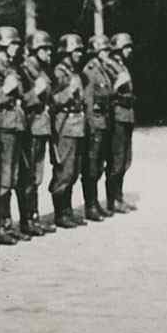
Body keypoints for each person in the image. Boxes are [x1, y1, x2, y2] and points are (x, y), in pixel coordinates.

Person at [0, 26, 30, 244]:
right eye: (13, 44)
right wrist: (5, 91)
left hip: (15, 126)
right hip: (3, 128)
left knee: (12, 178)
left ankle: (7, 224)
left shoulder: (11, 67)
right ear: (2, 46)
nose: (16, 48)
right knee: (2, 180)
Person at [18, 30, 57, 236]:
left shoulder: (42, 70)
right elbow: (20, 100)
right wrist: (36, 93)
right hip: (31, 127)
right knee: (29, 176)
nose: (48, 52)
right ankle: (27, 220)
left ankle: (33, 217)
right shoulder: (25, 70)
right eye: (44, 48)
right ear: (34, 50)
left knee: (37, 176)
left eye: (49, 48)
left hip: (42, 127)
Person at [50, 33, 87, 228]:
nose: (80, 54)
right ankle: (60, 213)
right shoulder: (59, 72)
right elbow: (52, 100)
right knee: (64, 171)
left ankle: (67, 210)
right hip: (64, 126)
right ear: (66, 52)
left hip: (77, 125)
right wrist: (68, 92)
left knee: (73, 171)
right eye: (76, 50)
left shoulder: (73, 71)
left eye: (80, 50)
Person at [80, 34, 115, 221]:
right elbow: (88, 100)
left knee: (98, 164)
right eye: (104, 50)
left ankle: (95, 203)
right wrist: (91, 126)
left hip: (104, 121)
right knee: (91, 166)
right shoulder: (91, 70)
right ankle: (90, 205)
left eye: (108, 50)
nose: (107, 53)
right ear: (95, 51)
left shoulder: (103, 69)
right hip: (95, 122)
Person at [104, 32, 138, 213]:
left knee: (125, 159)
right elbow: (106, 92)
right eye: (127, 47)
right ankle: (113, 200)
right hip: (117, 116)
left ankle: (119, 197)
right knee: (116, 160)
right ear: (118, 49)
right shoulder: (110, 66)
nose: (130, 50)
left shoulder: (121, 65)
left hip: (127, 115)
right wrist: (118, 84)